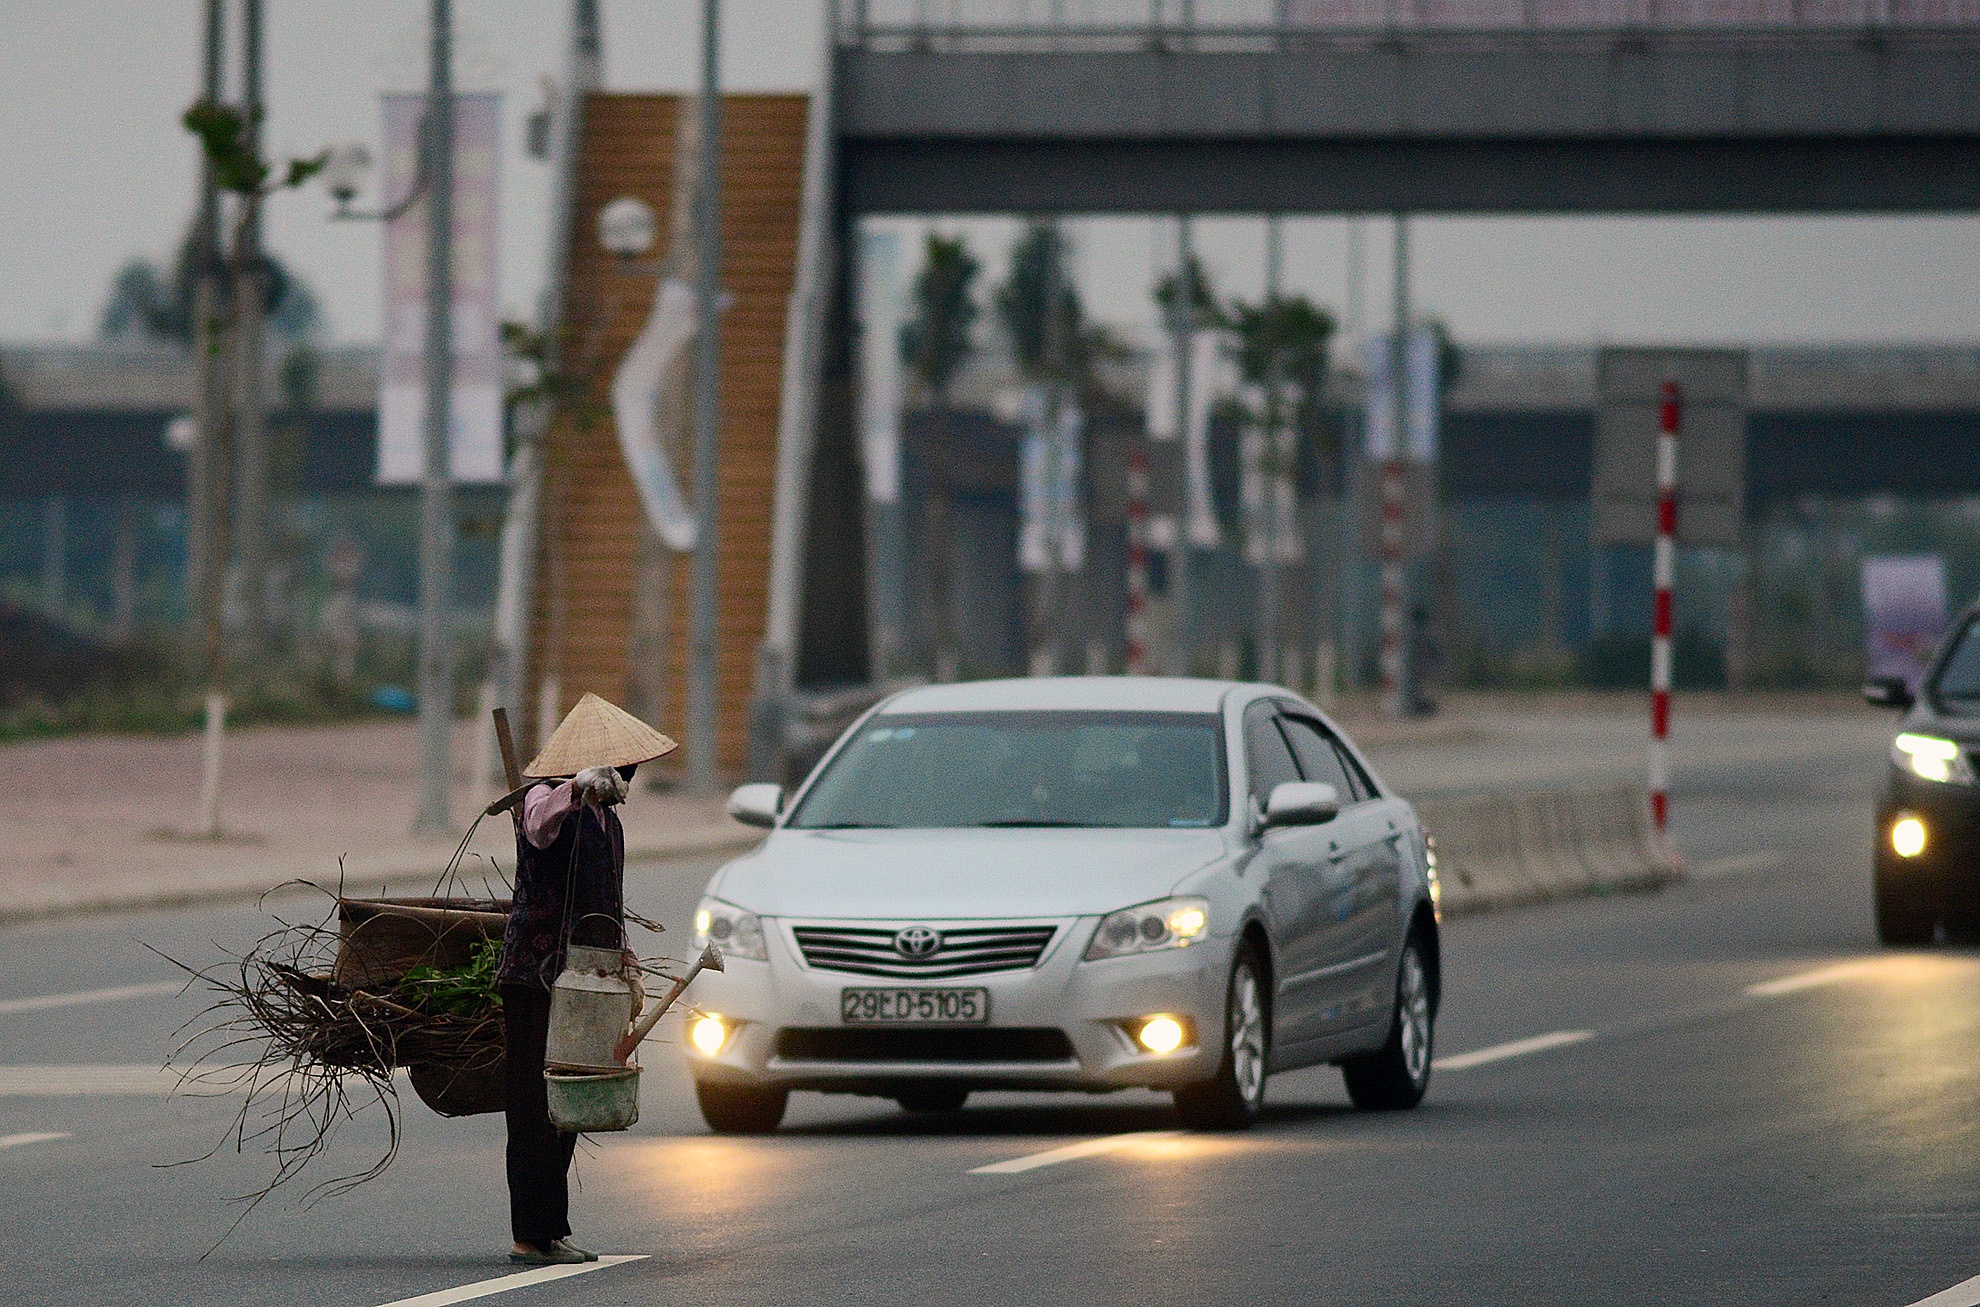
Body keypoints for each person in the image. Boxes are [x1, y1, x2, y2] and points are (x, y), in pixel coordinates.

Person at [497, 692, 676, 1266]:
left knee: (570, 1097)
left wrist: (628, 962)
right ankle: (531, 1232)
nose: (629, 776)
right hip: (535, 974)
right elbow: (540, 824)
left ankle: (553, 1228)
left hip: (586, 979)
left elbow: (607, 904)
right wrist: (576, 788)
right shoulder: (545, 801)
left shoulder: (611, 823)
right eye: (621, 766)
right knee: (533, 1102)